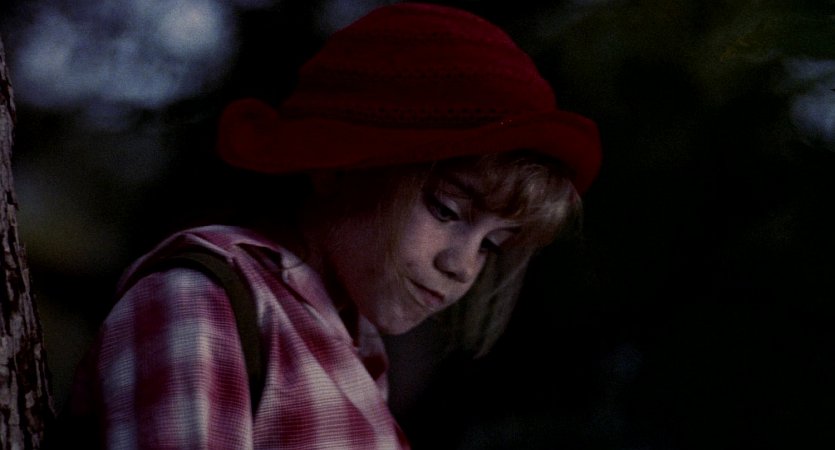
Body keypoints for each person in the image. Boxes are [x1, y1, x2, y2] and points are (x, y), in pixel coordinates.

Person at [60, 2, 602, 448]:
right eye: (445, 209)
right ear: (337, 162)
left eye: (493, 244)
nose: (462, 265)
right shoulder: (205, 300)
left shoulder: (352, 349)